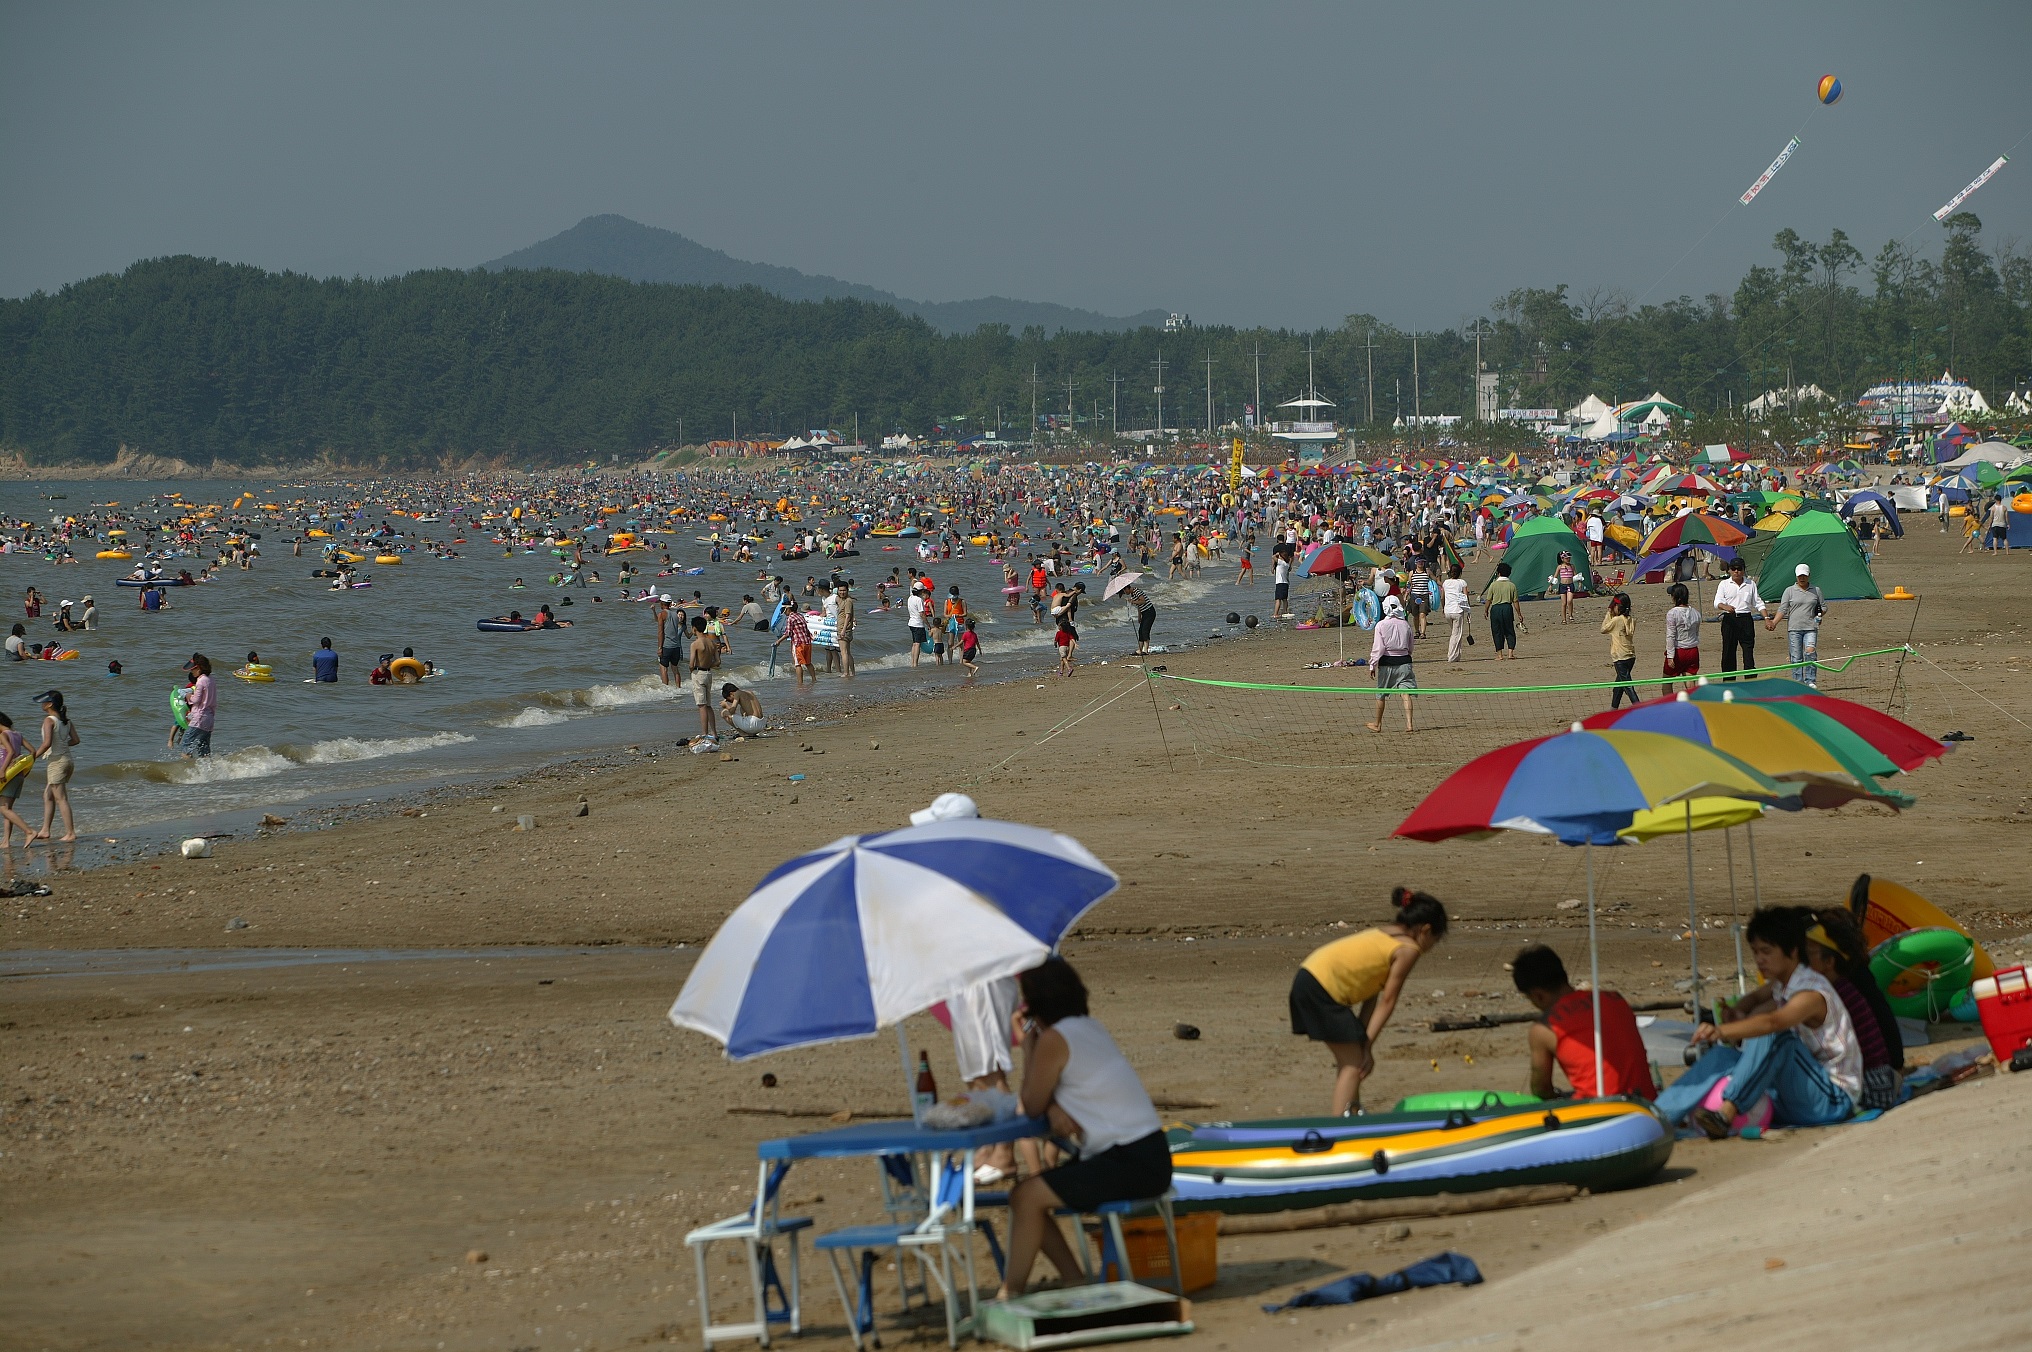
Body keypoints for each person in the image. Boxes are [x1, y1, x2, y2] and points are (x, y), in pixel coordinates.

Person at [996, 957, 1168, 1300]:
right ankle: (1071, 1280)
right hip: (1148, 1154)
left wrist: (1027, 1045)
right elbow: (1059, 1091)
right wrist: (1055, 1105)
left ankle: (1010, 1292)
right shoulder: (1090, 1028)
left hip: (1128, 1159)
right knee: (1028, 1194)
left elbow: (1030, 1104)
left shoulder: (1054, 1040)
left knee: (1026, 1197)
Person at [1655, 906, 1859, 1136]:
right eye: (1755, 952)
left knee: (1776, 1036)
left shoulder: (1812, 992)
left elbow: (1773, 1022)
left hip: (1832, 1100)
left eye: (1766, 951)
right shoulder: (1782, 984)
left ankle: (1726, 1112)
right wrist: (1737, 1011)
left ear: (1792, 951)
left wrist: (1721, 1031)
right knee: (1724, 1056)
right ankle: (1659, 1116)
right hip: (1798, 1095)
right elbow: (1754, 998)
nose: (1759, 960)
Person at [1289, 888, 1449, 1115]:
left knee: (1351, 1060)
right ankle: (1340, 1129)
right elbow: (1388, 1001)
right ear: (1425, 930)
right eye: (1435, 940)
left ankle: (1351, 1117)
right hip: (1321, 989)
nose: (1432, 947)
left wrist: (1363, 1041)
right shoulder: (1408, 949)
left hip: (1308, 977)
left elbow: (1371, 996)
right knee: (1354, 1064)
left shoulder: (1385, 933)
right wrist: (1367, 1048)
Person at [1510, 944, 1656, 1100]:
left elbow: (1541, 1089)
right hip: (1646, 1104)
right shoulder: (1615, 999)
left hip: (1602, 1113)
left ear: (1538, 995)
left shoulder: (1544, 1029)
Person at [29, 689, 78, 843]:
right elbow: (75, 740)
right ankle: (45, 830)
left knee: (61, 798)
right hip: (68, 761)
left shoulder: (49, 720)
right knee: (48, 795)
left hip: (57, 762)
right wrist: (62, 745)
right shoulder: (66, 721)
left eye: (44, 702)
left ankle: (70, 833)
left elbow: (46, 743)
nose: (42, 704)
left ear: (49, 704)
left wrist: (32, 757)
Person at [1768, 563, 1825, 688]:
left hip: (1811, 627)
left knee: (1810, 652)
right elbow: (1783, 609)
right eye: (1800, 576)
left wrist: (1819, 615)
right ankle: (1798, 683)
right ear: (1796, 576)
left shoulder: (1816, 590)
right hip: (1794, 628)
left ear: (1809, 575)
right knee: (1796, 657)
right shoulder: (1789, 591)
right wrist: (1774, 623)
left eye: (1804, 575)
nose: (1802, 578)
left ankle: (1810, 680)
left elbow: (1823, 607)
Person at [1366, 595, 1415, 733]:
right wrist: (1406, 654)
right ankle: (1409, 724)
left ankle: (1377, 724)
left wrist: (1372, 664)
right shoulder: (1405, 624)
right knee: (1405, 694)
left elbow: (1378, 648)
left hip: (1387, 662)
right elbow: (1411, 646)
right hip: (1405, 661)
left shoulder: (1381, 625)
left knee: (1381, 694)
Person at [1713, 557, 1764, 679]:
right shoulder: (1724, 584)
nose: (1736, 571)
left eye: (1739, 569)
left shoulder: (1750, 584)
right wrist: (1725, 607)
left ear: (1743, 570)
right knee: (1728, 652)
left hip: (1745, 619)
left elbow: (1758, 602)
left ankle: (1750, 680)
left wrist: (1766, 617)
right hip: (1730, 619)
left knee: (1748, 651)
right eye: (1733, 569)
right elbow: (1717, 602)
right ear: (1729, 570)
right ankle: (1729, 681)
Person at [0, 712, 35, 847]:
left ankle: (29, 831)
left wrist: (3, 770)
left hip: (7, 776)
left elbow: (10, 751)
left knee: (3, 809)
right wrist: (26, 769)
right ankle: (6, 841)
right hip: (18, 775)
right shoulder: (18, 735)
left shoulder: (3, 735)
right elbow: (33, 751)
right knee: (7, 809)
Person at [1662, 582, 1700, 696]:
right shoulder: (1696, 613)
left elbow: (1670, 635)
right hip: (1693, 650)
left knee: (1667, 682)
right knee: (1690, 684)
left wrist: (1670, 656)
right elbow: (1697, 632)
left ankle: (1669, 707)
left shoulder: (1672, 613)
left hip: (1679, 650)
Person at [687, 616, 719, 744]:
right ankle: (714, 733)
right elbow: (717, 661)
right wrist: (708, 665)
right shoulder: (712, 643)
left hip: (699, 673)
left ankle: (705, 733)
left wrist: (692, 669)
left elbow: (691, 663)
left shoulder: (695, 644)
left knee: (702, 705)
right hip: (708, 673)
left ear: (694, 629)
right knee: (709, 705)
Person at [1601, 592, 1638, 707]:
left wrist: (1609, 613)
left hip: (1620, 658)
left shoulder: (1617, 621)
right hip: (1630, 656)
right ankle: (1614, 708)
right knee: (1619, 686)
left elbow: (1603, 629)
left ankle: (1639, 707)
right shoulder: (1631, 619)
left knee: (1627, 686)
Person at [774, 598, 815, 689]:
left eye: (784, 610)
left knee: (798, 664)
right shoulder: (800, 615)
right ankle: (814, 679)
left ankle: (800, 684)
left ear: (788, 609)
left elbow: (788, 633)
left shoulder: (790, 618)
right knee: (808, 663)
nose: (783, 612)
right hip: (807, 643)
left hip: (798, 644)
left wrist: (778, 641)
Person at [1482, 561, 1519, 659]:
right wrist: (1519, 614)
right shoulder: (1512, 585)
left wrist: (1486, 610)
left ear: (1498, 573)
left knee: (1497, 631)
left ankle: (1500, 655)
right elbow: (1515, 601)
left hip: (1496, 609)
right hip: (1507, 608)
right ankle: (1510, 653)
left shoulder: (1493, 585)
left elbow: (1489, 600)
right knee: (1509, 630)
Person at [181, 654, 215, 757]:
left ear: (198, 668)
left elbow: (196, 700)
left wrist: (187, 695)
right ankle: (208, 771)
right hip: (209, 720)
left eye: (192, 670)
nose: (191, 672)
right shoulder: (211, 680)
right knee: (204, 750)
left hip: (199, 718)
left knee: (185, 748)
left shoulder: (200, 681)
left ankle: (190, 772)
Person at [1441, 563, 1470, 663]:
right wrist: (1468, 610)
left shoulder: (1446, 582)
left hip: (1447, 610)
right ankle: (1451, 656)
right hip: (1457, 610)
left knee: (1455, 633)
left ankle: (1457, 655)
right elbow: (1466, 597)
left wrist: (1443, 607)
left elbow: (1442, 597)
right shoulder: (1462, 582)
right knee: (1456, 634)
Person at [1120, 580, 1157, 655]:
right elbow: (1139, 607)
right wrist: (1139, 616)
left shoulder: (1136, 591)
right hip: (1144, 612)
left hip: (1150, 611)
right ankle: (1140, 649)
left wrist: (1133, 602)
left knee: (1145, 630)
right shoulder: (1133, 595)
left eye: (1124, 591)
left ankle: (1146, 650)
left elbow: (1143, 601)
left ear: (1127, 588)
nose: (1125, 593)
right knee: (1140, 631)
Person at [656, 596, 685, 686]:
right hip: (676, 646)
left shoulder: (662, 614)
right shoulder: (675, 615)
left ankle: (666, 689)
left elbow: (661, 632)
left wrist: (660, 648)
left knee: (663, 667)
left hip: (667, 645)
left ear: (662, 603)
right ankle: (678, 687)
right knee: (675, 668)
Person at [905, 582, 929, 667]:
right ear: (921, 591)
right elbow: (922, 614)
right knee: (918, 644)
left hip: (911, 623)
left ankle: (913, 663)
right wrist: (928, 625)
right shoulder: (919, 600)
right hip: (918, 623)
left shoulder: (910, 598)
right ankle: (915, 663)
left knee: (914, 643)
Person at [1553, 550, 1577, 623]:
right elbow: (1555, 576)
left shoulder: (1572, 566)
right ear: (1562, 559)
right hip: (1562, 585)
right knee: (1564, 603)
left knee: (1569, 600)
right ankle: (1564, 619)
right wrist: (1551, 585)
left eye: (1569, 558)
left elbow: (1575, 575)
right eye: (1567, 558)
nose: (1568, 559)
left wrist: (1579, 583)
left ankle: (1570, 615)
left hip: (1570, 585)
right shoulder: (1560, 567)